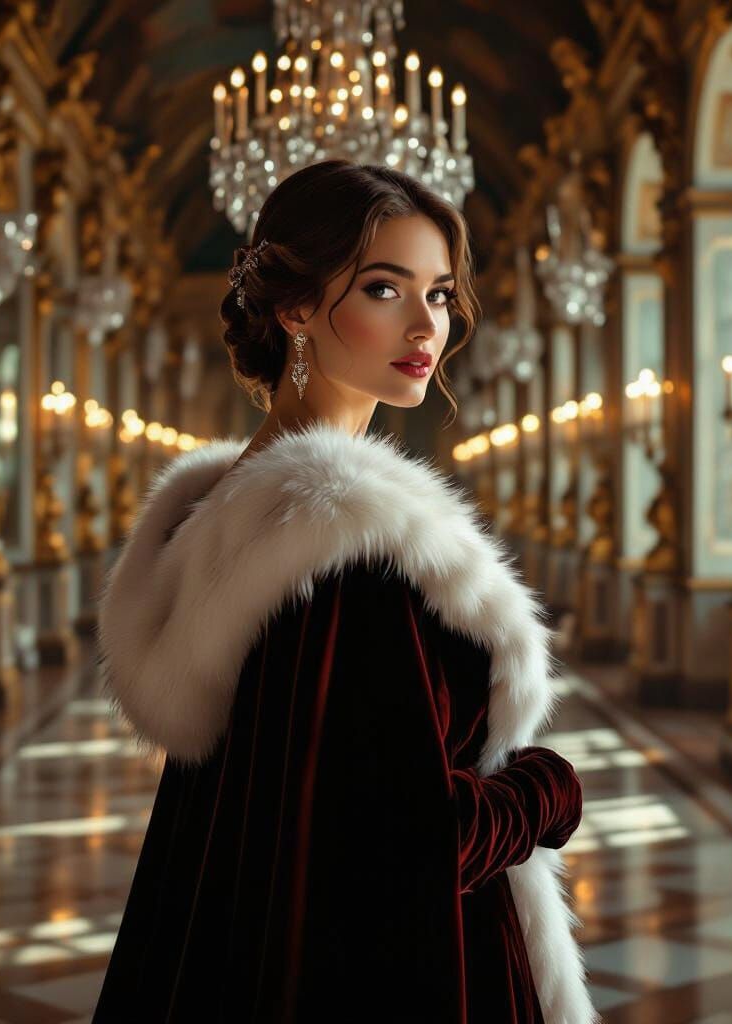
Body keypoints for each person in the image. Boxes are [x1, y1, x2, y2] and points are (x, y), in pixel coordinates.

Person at [93, 159, 597, 1023]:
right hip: (388, 972)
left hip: (238, 949)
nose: (424, 326)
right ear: (295, 308)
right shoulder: (349, 544)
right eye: (383, 289)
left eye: (438, 294)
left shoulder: (224, 512)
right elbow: (413, 840)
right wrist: (546, 789)